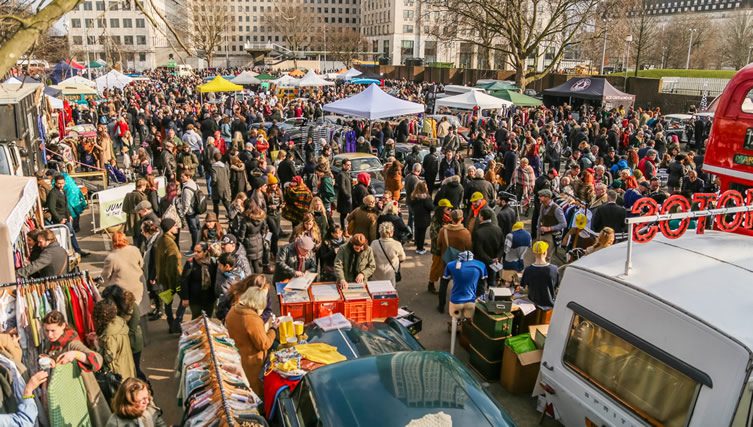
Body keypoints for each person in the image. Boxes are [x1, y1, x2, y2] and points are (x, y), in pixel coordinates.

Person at [42, 310, 111, 426]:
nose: (49, 335)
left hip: (82, 390)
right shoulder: (51, 342)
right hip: (67, 393)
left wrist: (75, 354)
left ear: (63, 326)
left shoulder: (72, 343)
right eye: (46, 330)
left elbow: (97, 360)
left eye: (53, 330)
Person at [225, 284, 277, 397]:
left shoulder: (233, 310)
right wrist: (273, 329)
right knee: (255, 393)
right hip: (252, 364)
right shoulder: (252, 319)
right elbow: (264, 344)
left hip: (238, 358)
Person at [101, 286, 145, 382]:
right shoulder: (113, 307)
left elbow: (132, 329)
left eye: (109, 300)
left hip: (133, 343)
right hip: (120, 343)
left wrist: (116, 336)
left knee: (135, 368)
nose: (107, 303)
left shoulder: (132, 306)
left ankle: (146, 386)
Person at [436, 210, 473, 312]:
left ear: (451, 219)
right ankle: (457, 307)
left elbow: (438, 244)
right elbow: (469, 248)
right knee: (460, 284)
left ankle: (441, 306)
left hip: (446, 261)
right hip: (461, 263)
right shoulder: (465, 233)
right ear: (462, 219)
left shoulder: (443, 231)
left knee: (444, 283)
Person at [93, 299, 136, 380]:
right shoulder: (119, 321)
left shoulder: (110, 336)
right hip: (127, 365)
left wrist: (97, 345)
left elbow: (109, 358)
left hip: (119, 371)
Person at [101, 232, 146, 308]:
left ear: (113, 242)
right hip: (138, 285)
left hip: (121, 292)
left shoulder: (111, 258)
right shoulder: (135, 249)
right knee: (138, 310)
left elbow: (105, 277)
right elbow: (141, 264)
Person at [154, 218, 184, 334]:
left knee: (168, 303)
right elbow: (173, 269)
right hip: (173, 281)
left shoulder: (161, 240)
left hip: (163, 280)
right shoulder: (171, 246)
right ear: (169, 228)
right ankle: (176, 323)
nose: (177, 227)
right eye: (175, 226)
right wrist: (177, 284)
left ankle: (171, 324)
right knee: (185, 299)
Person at [440, 251, 487, 319]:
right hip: (471, 301)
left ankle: (455, 327)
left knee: (454, 321)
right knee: (468, 321)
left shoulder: (450, 264)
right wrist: (480, 299)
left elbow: (443, 285)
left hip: (455, 301)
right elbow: (482, 285)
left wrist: (441, 305)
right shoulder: (481, 265)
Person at [47, 174, 87, 256]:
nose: (61, 185)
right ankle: (72, 252)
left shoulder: (63, 191)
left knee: (71, 234)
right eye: (59, 183)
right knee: (65, 236)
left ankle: (77, 251)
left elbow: (65, 205)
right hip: (60, 219)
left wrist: (69, 215)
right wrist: (59, 219)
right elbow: (51, 207)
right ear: (55, 183)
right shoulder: (53, 193)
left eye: (62, 183)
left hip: (66, 217)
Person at [179, 242, 218, 319]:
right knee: (196, 319)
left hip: (209, 298)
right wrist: (185, 298)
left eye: (198, 252)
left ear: (206, 252)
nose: (195, 253)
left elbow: (215, 279)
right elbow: (184, 281)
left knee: (207, 320)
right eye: (194, 251)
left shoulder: (213, 262)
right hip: (195, 299)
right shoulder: (190, 263)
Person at [518, 241, 559, 311]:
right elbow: (556, 287)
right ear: (545, 252)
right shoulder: (554, 269)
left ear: (534, 253)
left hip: (532, 307)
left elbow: (523, 288)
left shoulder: (528, 270)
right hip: (549, 308)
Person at [471, 208, 503, 293]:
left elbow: (478, 250)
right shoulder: (498, 229)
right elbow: (502, 246)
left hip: (481, 263)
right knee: (492, 284)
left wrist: (489, 260)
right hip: (494, 263)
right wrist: (497, 258)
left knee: (480, 285)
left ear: (481, 217)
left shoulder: (478, 232)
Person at [370, 222, 406, 287]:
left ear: (380, 232)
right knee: (389, 292)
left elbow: (370, 257)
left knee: (376, 290)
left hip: (377, 272)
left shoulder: (374, 243)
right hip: (390, 272)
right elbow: (402, 258)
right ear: (391, 233)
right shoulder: (397, 244)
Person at [535, 189, 567, 259]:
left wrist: (549, 228)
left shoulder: (557, 209)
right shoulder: (542, 206)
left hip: (551, 237)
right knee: (539, 255)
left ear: (547, 197)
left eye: (541, 196)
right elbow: (539, 219)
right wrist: (537, 235)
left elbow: (564, 224)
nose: (539, 198)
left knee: (546, 257)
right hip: (542, 234)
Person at [237, 203, 268, 274]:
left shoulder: (245, 221)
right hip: (258, 241)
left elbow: (241, 236)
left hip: (248, 243)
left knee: (248, 264)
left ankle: (249, 280)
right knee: (257, 264)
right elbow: (264, 230)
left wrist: (239, 244)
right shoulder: (262, 219)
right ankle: (258, 279)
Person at [501, 221, 532, 286]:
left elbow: (506, 250)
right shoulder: (528, 235)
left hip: (509, 263)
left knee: (506, 284)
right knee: (517, 284)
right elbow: (530, 246)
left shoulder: (510, 235)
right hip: (521, 263)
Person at [177, 171, 201, 249]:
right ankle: (197, 244)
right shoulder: (194, 184)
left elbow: (186, 203)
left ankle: (194, 246)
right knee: (197, 228)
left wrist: (183, 213)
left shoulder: (187, 189)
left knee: (193, 229)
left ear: (188, 177)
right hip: (196, 209)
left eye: (182, 177)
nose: (181, 178)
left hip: (190, 212)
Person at [409, 181, 434, 254]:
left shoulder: (413, 196)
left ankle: (417, 244)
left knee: (417, 231)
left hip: (417, 216)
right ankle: (420, 248)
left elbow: (411, 205)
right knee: (422, 233)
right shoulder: (426, 198)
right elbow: (431, 207)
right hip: (424, 217)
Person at [210, 152, 232, 218]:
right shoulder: (225, 166)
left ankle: (216, 219)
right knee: (227, 204)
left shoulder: (213, 167)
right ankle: (232, 217)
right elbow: (228, 175)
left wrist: (211, 184)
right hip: (225, 187)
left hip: (216, 188)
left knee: (216, 205)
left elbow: (214, 179)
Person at [335, 159, 354, 229]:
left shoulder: (347, 173)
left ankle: (348, 228)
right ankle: (344, 229)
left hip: (349, 196)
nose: (349, 166)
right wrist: (348, 196)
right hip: (344, 198)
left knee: (349, 213)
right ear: (343, 165)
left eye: (350, 165)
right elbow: (342, 187)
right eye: (348, 165)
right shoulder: (341, 174)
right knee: (343, 214)